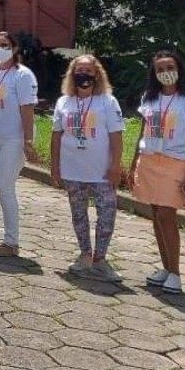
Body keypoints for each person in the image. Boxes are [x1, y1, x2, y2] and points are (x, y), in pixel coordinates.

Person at [128, 49, 185, 295]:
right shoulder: (149, 98)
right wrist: (133, 162)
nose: (166, 73)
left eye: (170, 67)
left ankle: (176, 273)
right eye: (160, 69)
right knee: (156, 214)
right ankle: (165, 267)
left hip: (176, 161)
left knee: (167, 215)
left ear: (179, 69)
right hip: (149, 160)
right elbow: (143, 132)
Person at [49, 55, 125, 282]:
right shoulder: (64, 102)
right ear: (72, 74)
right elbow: (56, 136)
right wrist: (55, 167)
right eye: (79, 70)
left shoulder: (108, 102)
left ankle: (100, 259)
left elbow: (116, 136)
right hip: (73, 169)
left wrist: (115, 166)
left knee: (107, 214)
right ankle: (84, 254)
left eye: (88, 70)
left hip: (101, 171)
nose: (84, 74)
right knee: (79, 215)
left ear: (97, 74)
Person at [0, 31, 39, 257]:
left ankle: (11, 242)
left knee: (4, 186)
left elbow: (27, 109)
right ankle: (9, 238)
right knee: (2, 187)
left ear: (14, 48)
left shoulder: (23, 76)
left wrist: (28, 141)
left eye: (4, 45)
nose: (0, 48)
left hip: (15, 138)